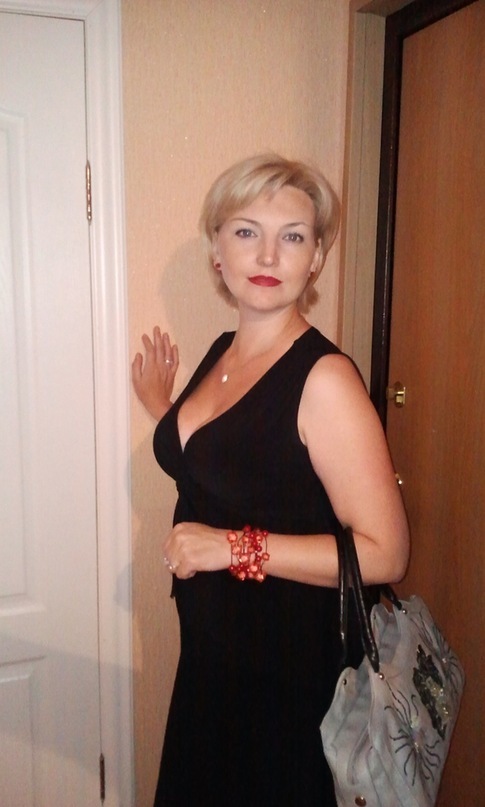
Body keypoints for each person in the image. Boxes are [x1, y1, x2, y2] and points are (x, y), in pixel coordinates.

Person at [132, 154, 409, 806]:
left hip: (282, 674)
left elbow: (386, 553)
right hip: (211, 654)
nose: (267, 254)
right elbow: (229, 456)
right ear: (217, 250)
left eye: (293, 236)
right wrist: (162, 408)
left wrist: (232, 547)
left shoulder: (326, 380)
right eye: (246, 231)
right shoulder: (222, 353)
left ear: (315, 259)